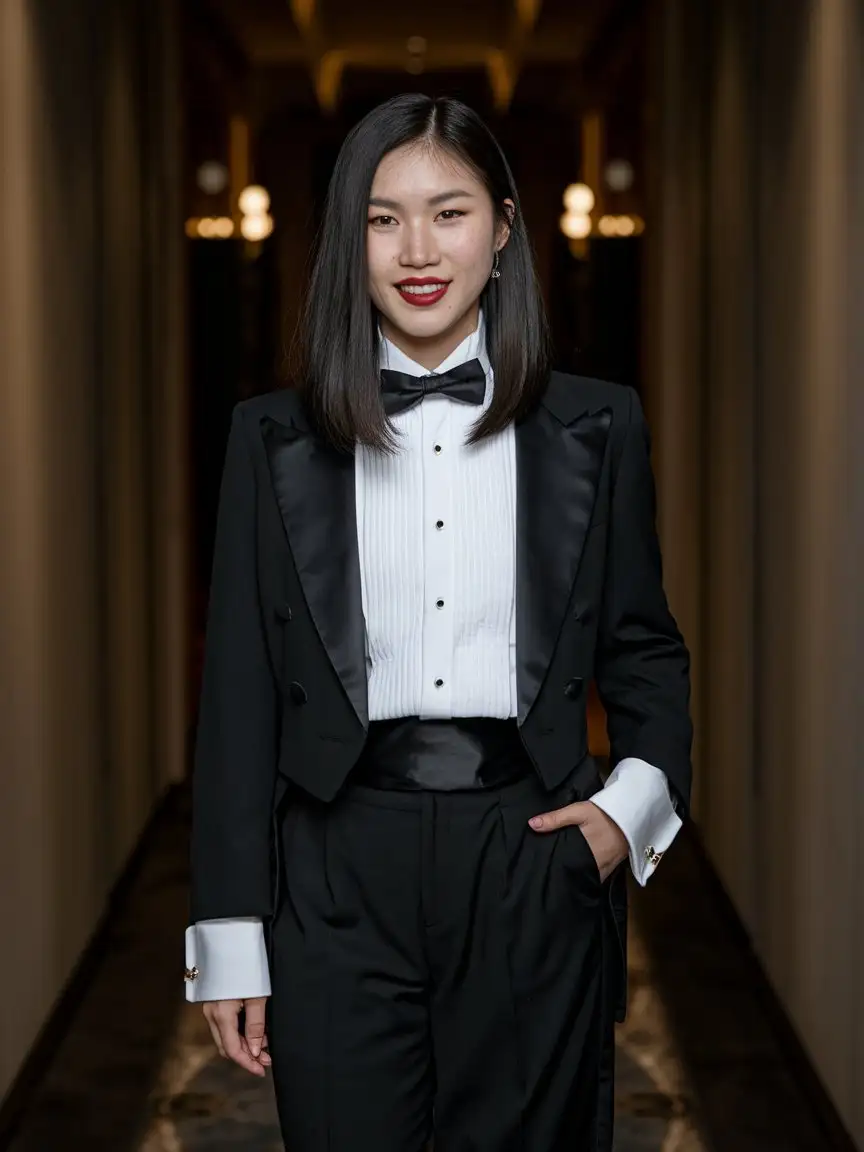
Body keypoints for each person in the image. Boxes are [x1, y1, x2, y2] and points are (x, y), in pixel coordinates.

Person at [184, 92, 692, 1151]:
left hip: (530, 854)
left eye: (448, 212)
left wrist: (625, 814)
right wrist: (229, 931)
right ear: (350, 243)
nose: (417, 248)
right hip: (331, 864)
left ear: (503, 230)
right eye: (383, 218)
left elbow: (644, 650)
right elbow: (236, 695)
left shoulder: (599, 428)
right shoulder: (267, 439)